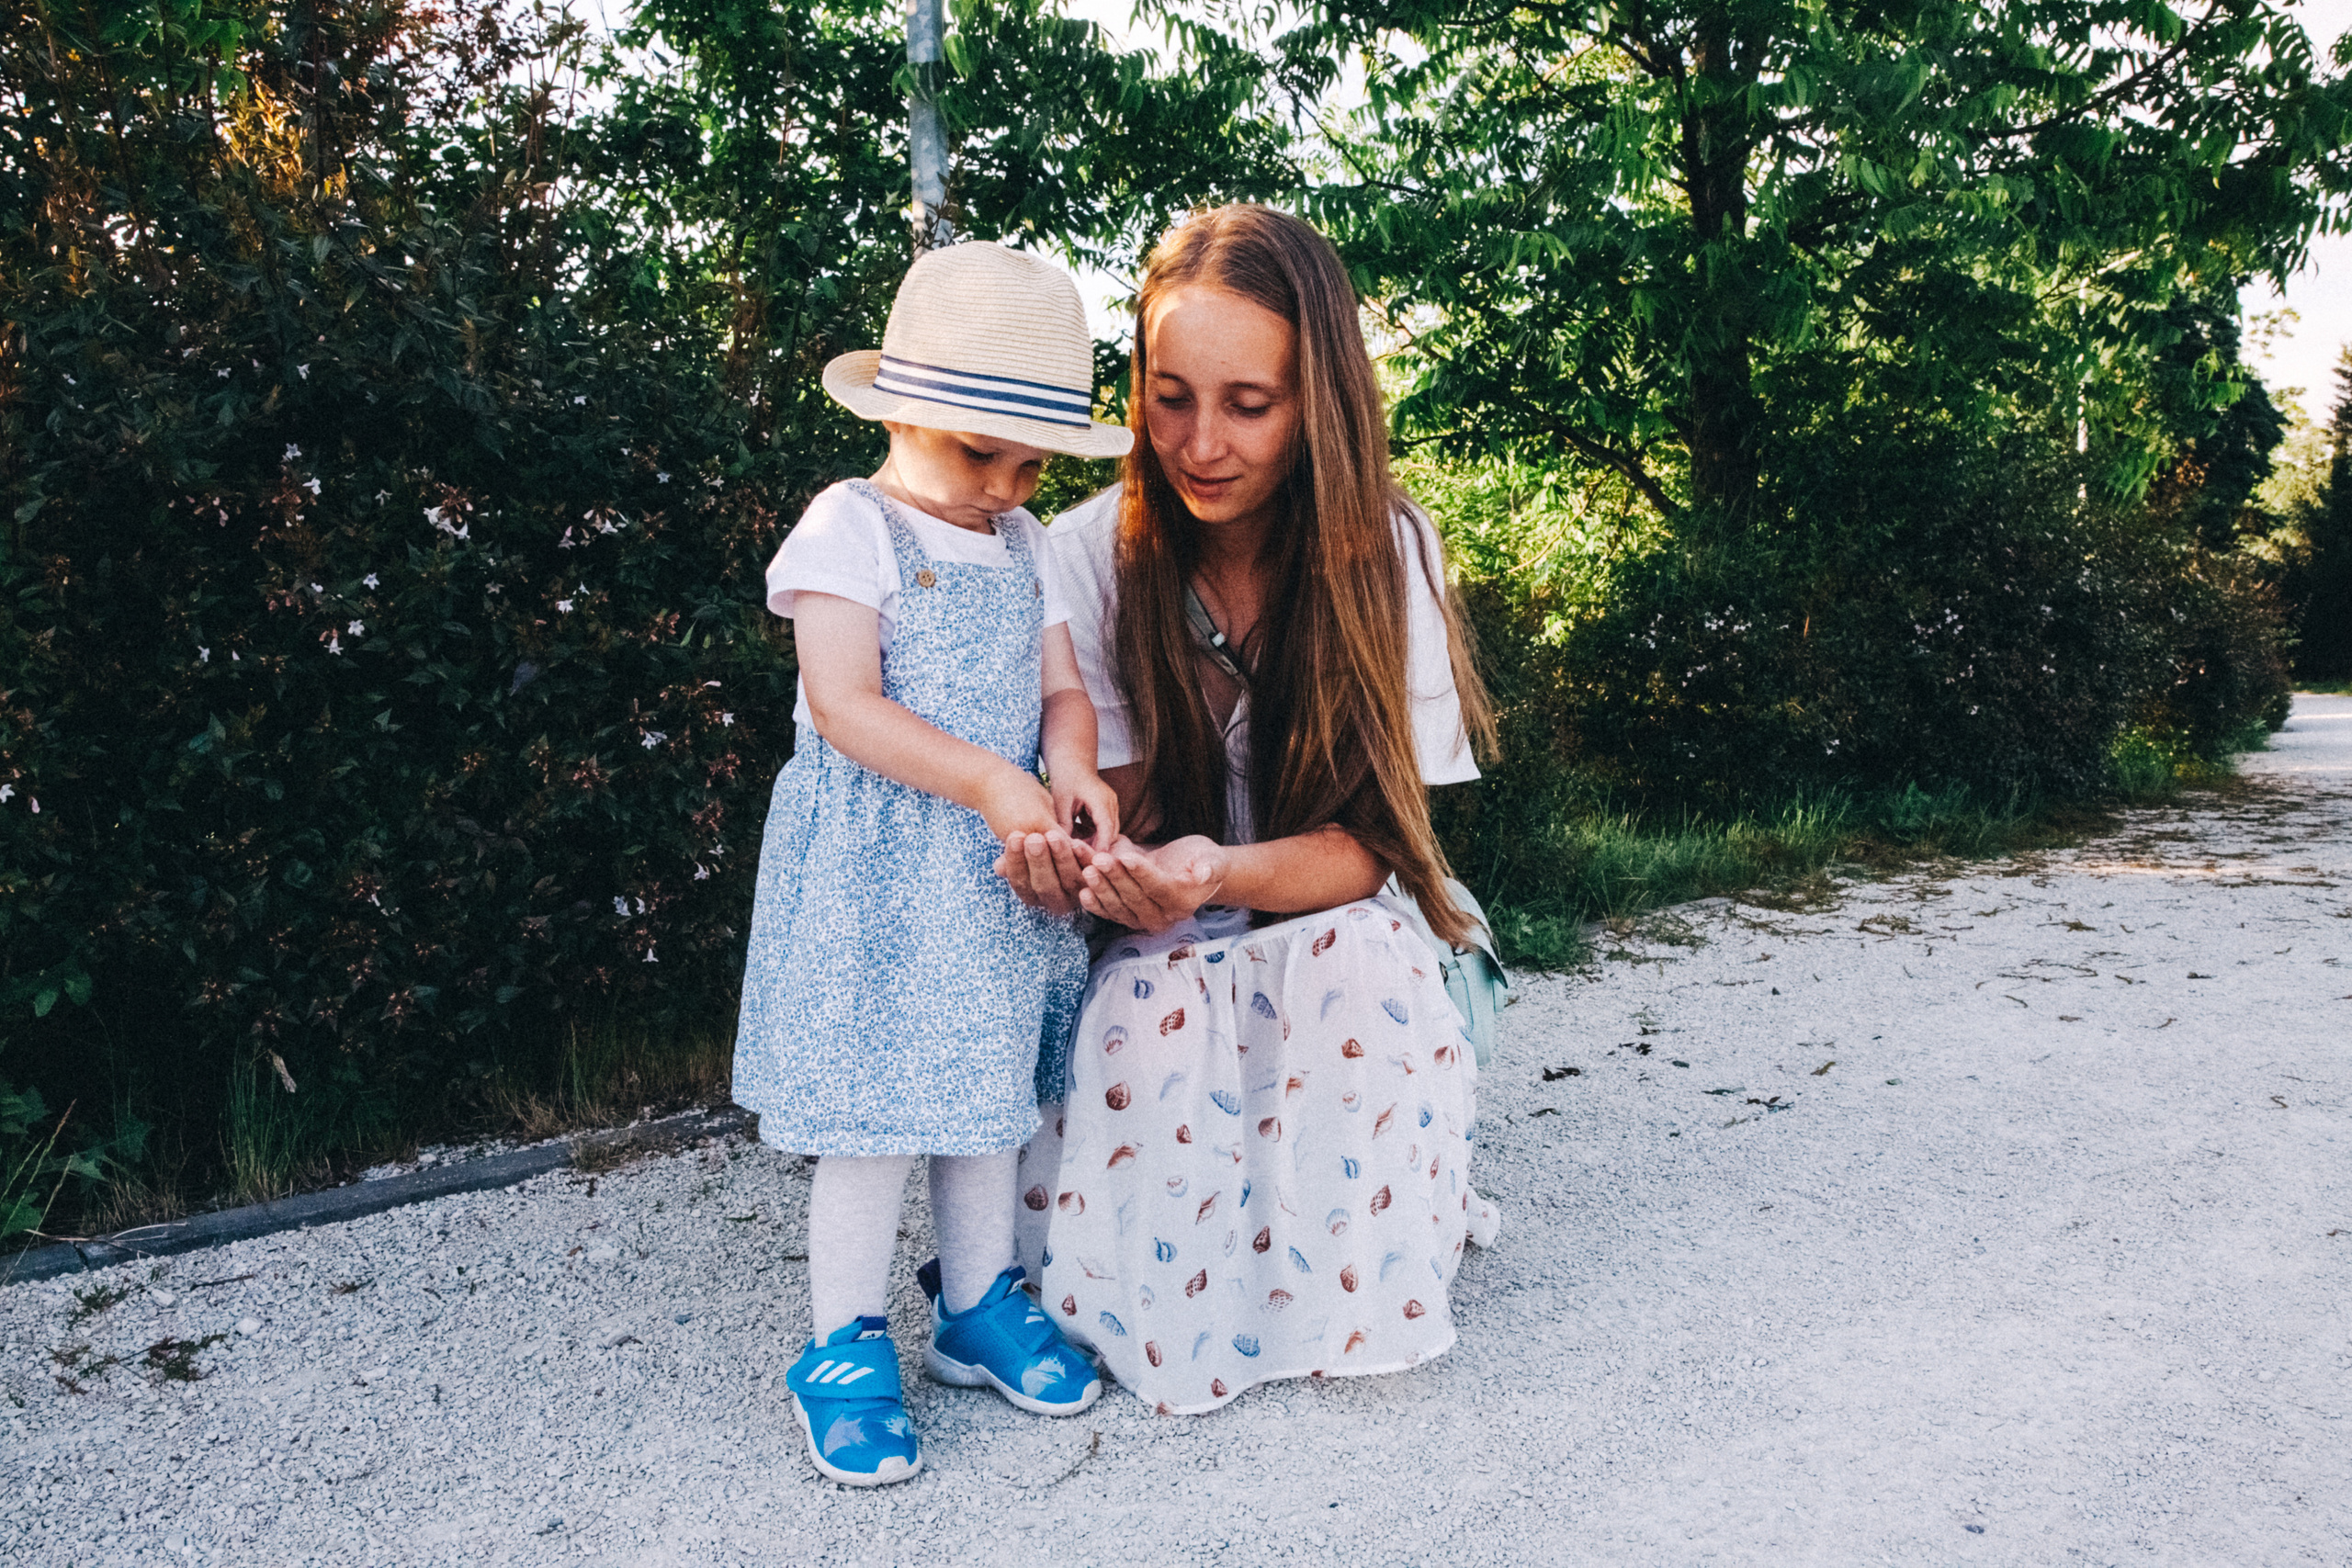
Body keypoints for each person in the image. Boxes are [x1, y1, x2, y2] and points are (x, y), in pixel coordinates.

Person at [998, 204, 1501, 1415]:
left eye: (1247, 405)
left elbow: (1374, 852)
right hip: (1162, 937)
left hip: (1334, 911)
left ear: (1315, 402)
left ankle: (1329, 1261)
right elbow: (1105, 817)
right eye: (1169, 396)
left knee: (1358, 970)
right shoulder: (1081, 554)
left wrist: (1214, 871)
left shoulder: (1390, 553)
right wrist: (1085, 860)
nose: (1200, 442)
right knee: (1151, 1014)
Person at [730, 242, 1131, 1484]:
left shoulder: (1023, 546)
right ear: (900, 409)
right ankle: (842, 1346)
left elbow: (1064, 694)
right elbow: (846, 705)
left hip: (996, 882)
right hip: (881, 883)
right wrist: (992, 780)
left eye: (1030, 463)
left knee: (987, 1103)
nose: (1007, 484)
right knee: (874, 1120)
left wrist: (1071, 771)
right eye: (980, 452)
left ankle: (975, 1302)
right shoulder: (848, 527)